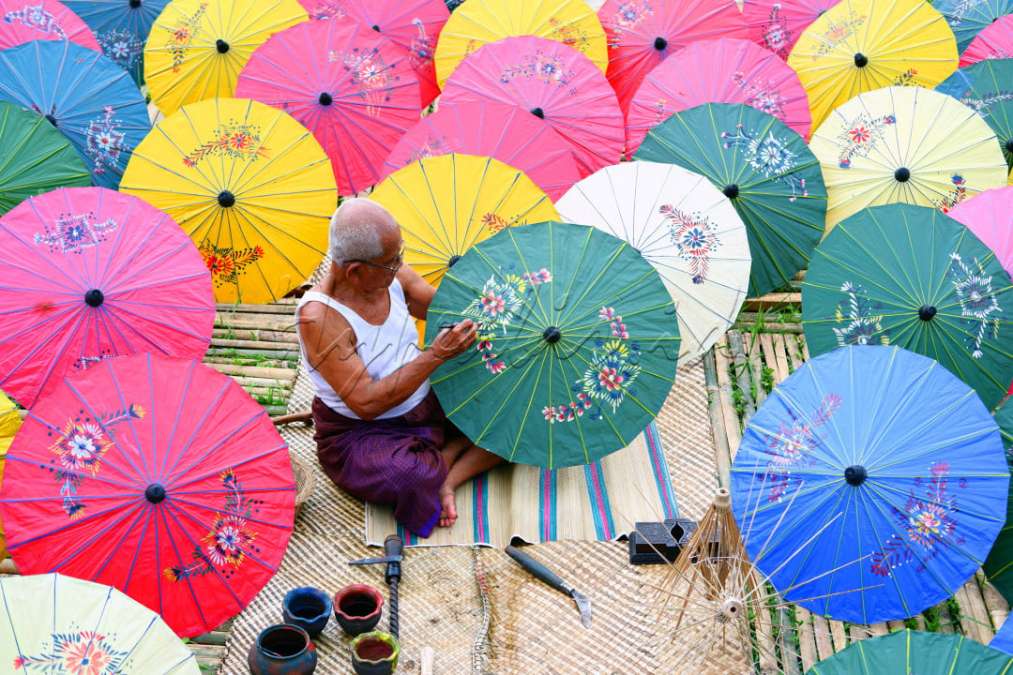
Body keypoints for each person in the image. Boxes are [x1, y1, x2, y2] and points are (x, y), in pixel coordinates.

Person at [296, 198, 503, 537]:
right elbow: (365, 403)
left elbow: (442, 307)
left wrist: (486, 301)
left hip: (423, 399)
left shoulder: (389, 274)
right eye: (392, 262)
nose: (401, 266)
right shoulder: (319, 318)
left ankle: (444, 473)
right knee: (410, 477)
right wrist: (435, 356)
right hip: (362, 431)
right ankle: (445, 466)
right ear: (355, 272)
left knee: (516, 406)